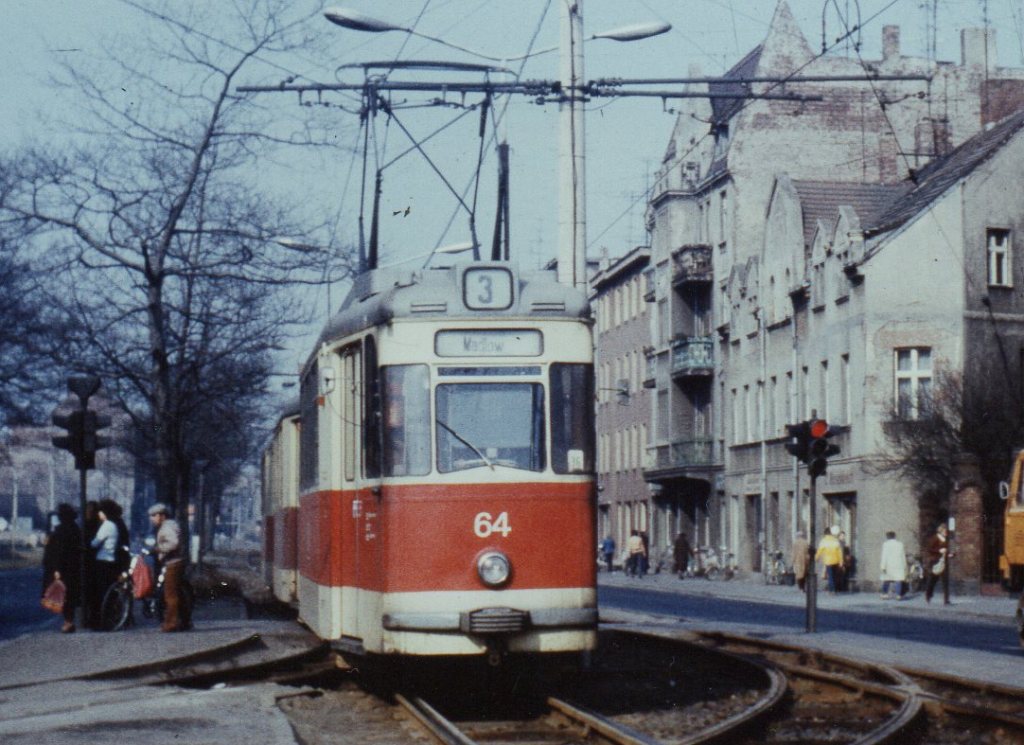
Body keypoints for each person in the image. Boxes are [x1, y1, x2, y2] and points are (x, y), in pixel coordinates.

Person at [149, 502, 191, 631]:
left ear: (161, 515)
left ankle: (171, 623)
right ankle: (184, 621)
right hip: (176, 561)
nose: (151, 519)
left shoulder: (167, 527)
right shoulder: (170, 525)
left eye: (153, 516)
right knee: (176, 593)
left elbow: (173, 543)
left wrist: (158, 549)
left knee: (170, 595)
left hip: (173, 562)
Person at [42, 503, 82, 633]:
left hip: (63, 568)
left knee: (64, 595)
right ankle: (69, 621)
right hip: (73, 567)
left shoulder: (61, 531)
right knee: (69, 595)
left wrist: (57, 569)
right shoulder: (75, 529)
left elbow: (58, 552)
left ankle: (68, 622)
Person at [90, 500, 122, 628]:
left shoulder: (107, 525)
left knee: (101, 593)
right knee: (106, 592)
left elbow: (95, 543)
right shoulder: (113, 525)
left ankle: (100, 621)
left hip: (103, 561)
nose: (98, 514)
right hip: (110, 561)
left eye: (100, 511)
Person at [924, 523, 951, 604]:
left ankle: (946, 599)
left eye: (946, 531)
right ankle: (928, 595)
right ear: (941, 531)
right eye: (945, 531)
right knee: (933, 580)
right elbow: (929, 549)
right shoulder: (935, 538)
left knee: (945, 581)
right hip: (935, 561)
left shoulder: (946, 539)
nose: (946, 532)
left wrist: (950, 554)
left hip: (943, 561)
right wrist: (939, 551)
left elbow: (945, 550)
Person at [879, 530, 908, 599]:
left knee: (886, 580)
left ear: (887, 537)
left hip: (889, 565)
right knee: (898, 579)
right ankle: (898, 595)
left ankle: (884, 594)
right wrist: (904, 565)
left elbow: (884, 555)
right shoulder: (900, 544)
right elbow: (902, 555)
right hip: (899, 564)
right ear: (894, 536)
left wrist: (883, 566)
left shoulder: (885, 544)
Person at [815, 526, 843, 594]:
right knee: (834, 575)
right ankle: (834, 589)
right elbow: (839, 552)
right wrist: (841, 561)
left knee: (830, 576)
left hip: (828, 561)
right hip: (836, 560)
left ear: (825, 534)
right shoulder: (835, 540)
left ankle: (832, 590)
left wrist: (816, 558)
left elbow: (819, 551)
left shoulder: (823, 541)